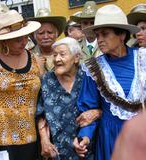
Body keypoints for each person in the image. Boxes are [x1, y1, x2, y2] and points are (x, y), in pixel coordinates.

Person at [73, 4, 145, 160]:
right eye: (97, 35)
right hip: (110, 137)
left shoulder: (143, 58)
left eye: (105, 34)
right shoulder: (93, 68)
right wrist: (85, 137)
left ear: (121, 35)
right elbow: (88, 108)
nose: (99, 40)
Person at [0, 10, 42, 160]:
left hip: (31, 140)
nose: (24, 42)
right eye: (18, 39)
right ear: (4, 40)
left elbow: (44, 99)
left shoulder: (34, 58)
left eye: (26, 36)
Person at [36, 37, 99, 160]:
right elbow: (41, 113)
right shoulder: (47, 80)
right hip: (57, 152)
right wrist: (44, 140)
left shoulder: (89, 78)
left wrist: (98, 112)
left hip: (87, 149)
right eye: (54, 55)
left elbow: (105, 108)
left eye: (62, 54)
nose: (57, 59)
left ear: (76, 58)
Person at [29, 8, 66, 74]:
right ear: (34, 36)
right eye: (41, 33)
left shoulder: (66, 54)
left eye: (50, 32)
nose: (46, 37)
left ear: (56, 34)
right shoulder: (28, 56)